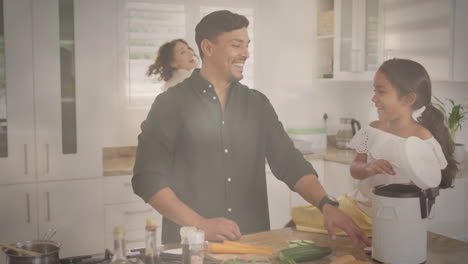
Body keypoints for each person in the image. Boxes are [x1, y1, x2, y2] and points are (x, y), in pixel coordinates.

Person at [132, 10, 370, 246]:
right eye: (237, 45)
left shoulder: (257, 104)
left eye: (247, 45)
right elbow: (147, 178)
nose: (246, 54)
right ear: (208, 47)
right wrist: (200, 224)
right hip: (190, 247)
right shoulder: (170, 103)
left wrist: (326, 205)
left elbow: (289, 161)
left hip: (251, 245)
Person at [291, 58, 458, 236]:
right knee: (297, 217)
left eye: (381, 92)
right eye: (374, 91)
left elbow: (433, 178)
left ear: (408, 99)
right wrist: (369, 168)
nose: (374, 98)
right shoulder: (373, 129)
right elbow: (355, 169)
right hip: (357, 207)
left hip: (395, 218)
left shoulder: (422, 137)